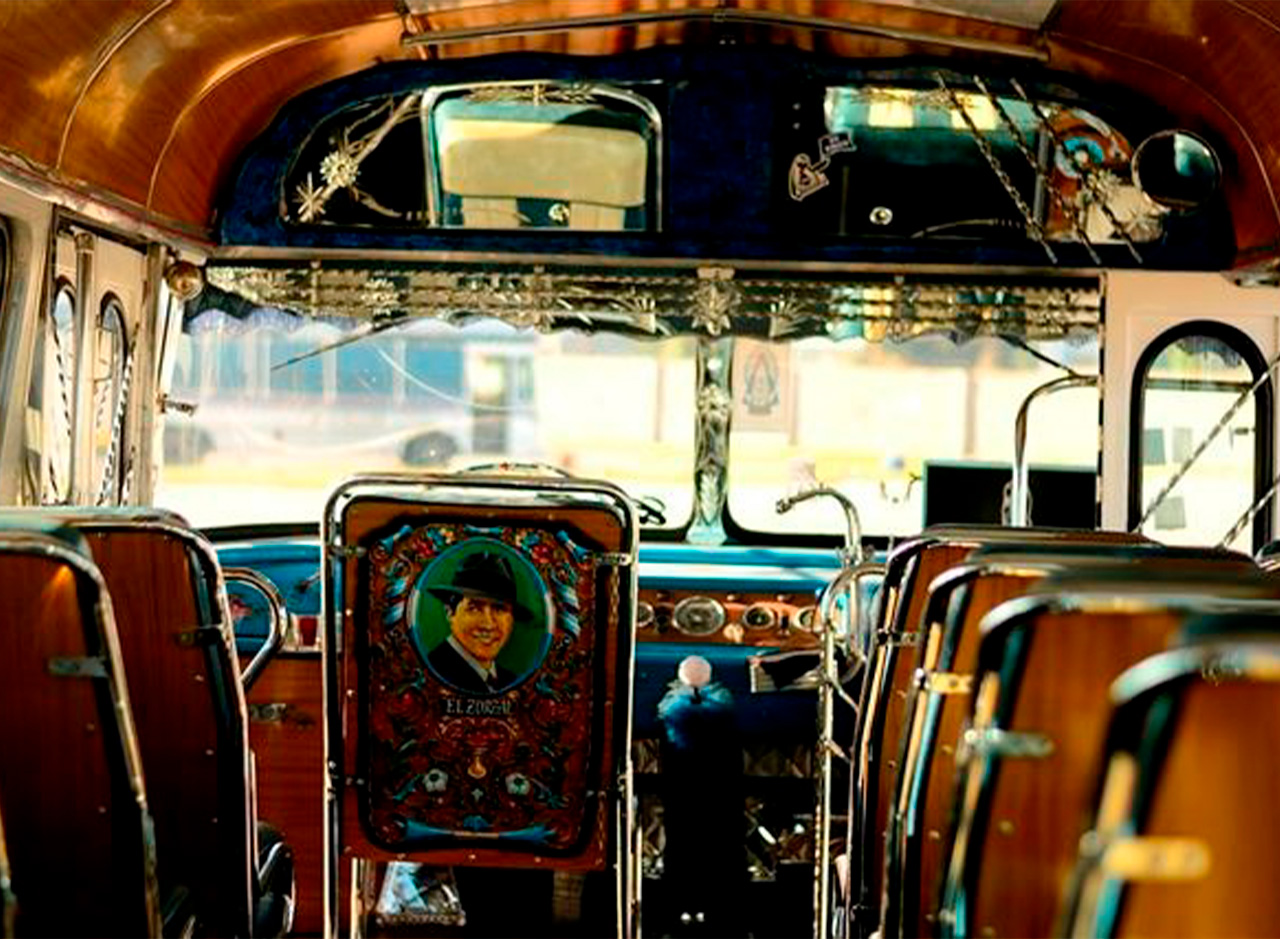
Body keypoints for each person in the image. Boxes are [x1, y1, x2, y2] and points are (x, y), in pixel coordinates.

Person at [425, 549, 528, 694]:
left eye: (499, 609)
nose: (488, 624)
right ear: (450, 613)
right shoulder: (431, 673)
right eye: (474, 609)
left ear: (512, 619)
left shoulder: (511, 682)